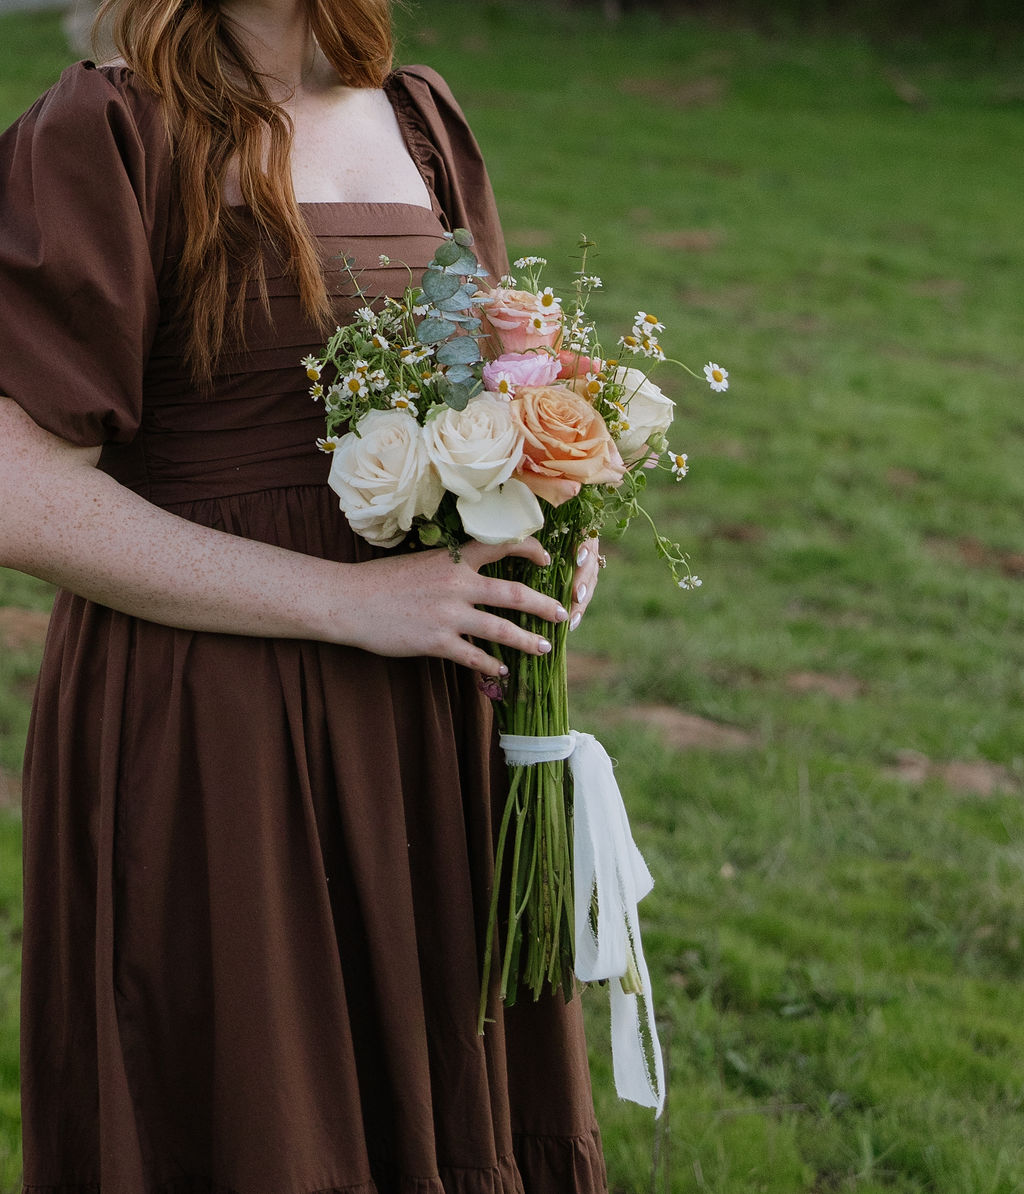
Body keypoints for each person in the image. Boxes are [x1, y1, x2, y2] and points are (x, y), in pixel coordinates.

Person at [0, 0, 608, 1189]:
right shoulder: (108, 130)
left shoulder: (419, 116)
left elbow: (495, 371)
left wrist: (553, 514)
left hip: (429, 715)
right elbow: (17, 487)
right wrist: (346, 603)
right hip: (212, 722)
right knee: (265, 1116)